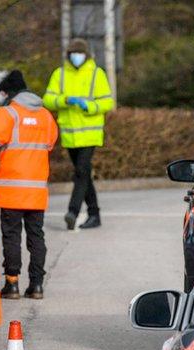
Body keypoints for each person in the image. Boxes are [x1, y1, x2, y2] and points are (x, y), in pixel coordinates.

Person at [0, 70, 58, 299]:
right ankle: (37, 285)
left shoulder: (9, 113)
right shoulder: (46, 116)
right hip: (37, 190)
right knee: (36, 236)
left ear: (9, 93)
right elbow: (50, 143)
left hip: (12, 190)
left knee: (12, 237)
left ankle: (12, 285)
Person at [43, 38, 114, 230]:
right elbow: (48, 100)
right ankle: (94, 214)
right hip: (69, 134)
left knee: (81, 172)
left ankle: (72, 211)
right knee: (84, 175)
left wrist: (88, 106)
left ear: (87, 55)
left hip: (90, 134)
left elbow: (107, 102)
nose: (76, 56)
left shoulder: (96, 74)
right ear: (68, 55)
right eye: (73, 53)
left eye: (80, 53)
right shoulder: (60, 74)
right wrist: (65, 100)